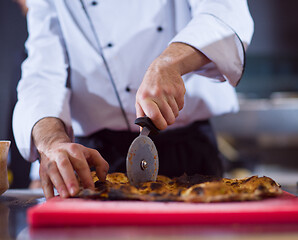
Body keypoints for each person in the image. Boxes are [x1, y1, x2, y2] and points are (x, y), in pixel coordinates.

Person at [13, 0, 254, 199]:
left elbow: (225, 14)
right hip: (96, 162)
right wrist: (52, 141)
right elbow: (42, 73)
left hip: (190, 157)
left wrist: (170, 63)